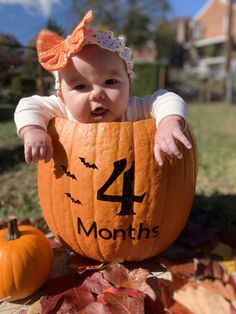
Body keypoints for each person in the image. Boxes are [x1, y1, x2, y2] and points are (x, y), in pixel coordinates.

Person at [14, 10, 192, 167]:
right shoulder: (62, 110)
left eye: (110, 82)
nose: (97, 94)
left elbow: (166, 98)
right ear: (62, 96)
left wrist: (169, 122)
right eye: (81, 86)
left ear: (128, 84)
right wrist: (33, 130)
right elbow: (28, 105)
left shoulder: (133, 110)